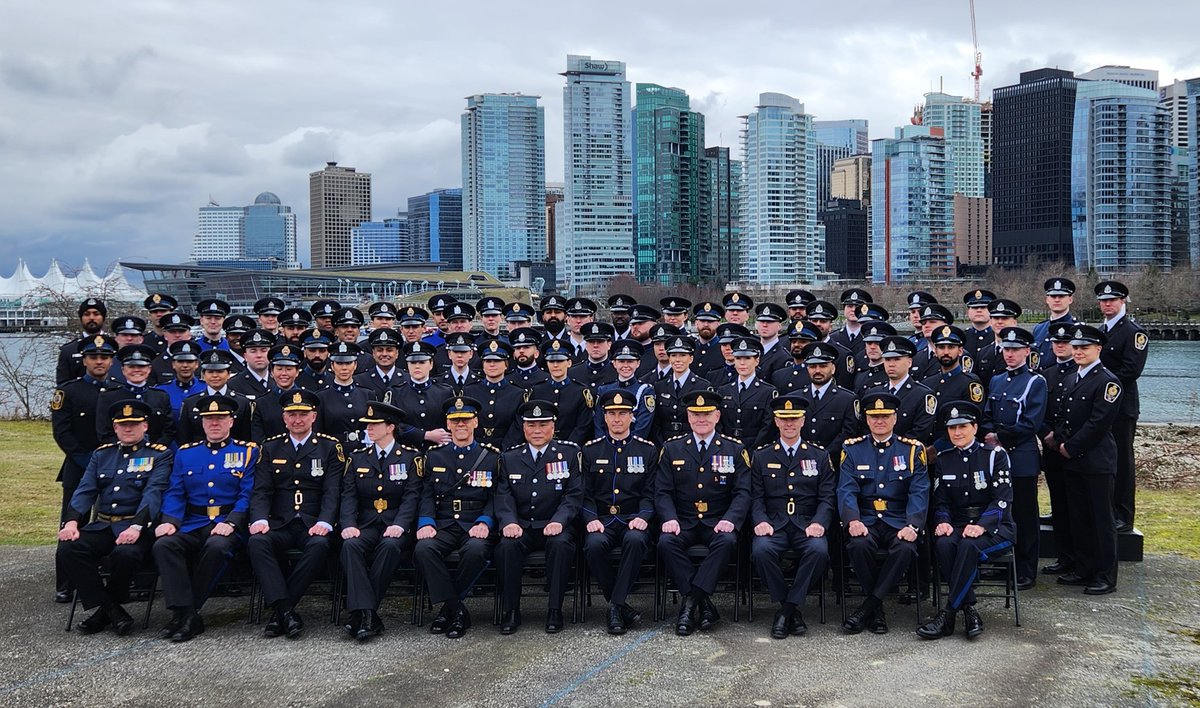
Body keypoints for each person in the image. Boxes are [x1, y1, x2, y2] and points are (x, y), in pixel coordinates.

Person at [56, 400, 172, 634]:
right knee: (68, 549)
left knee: (126, 554)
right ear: (115, 428)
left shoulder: (159, 455)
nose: (128, 429)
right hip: (104, 525)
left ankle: (103, 614)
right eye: (123, 425)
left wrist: (137, 527)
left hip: (136, 526)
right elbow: (85, 490)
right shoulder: (102, 455)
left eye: (134, 424)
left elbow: (153, 493)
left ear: (145, 427)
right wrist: (71, 522)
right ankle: (111, 610)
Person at [152, 395, 258, 642]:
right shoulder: (186, 454)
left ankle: (187, 613)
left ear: (231, 421)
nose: (214, 423)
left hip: (228, 522)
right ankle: (185, 611)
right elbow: (176, 491)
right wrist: (170, 520)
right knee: (164, 545)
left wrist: (232, 522)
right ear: (201, 422)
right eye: (209, 419)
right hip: (193, 521)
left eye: (220, 418)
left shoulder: (248, 452)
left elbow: (248, 494)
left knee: (217, 548)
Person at [247, 390, 346, 639]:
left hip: (313, 523)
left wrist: (325, 521)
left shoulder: (329, 447)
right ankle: (286, 611)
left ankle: (281, 611)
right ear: (284, 417)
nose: (297, 419)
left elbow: (332, 491)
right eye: (292, 414)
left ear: (314, 416)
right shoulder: (270, 448)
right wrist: (259, 519)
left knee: (320, 545)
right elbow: (261, 491)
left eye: (303, 414)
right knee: (257, 542)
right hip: (281, 523)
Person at [656, 391, 751, 636]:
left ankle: (690, 604)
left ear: (717, 416)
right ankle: (703, 603)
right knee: (666, 542)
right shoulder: (672, 448)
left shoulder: (734, 449)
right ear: (688, 417)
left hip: (718, 522)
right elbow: (663, 492)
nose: (701, 419)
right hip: (683, 521)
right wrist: (670, 519)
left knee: (727, 541)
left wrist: (730, 520)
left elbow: (742, 493)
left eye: (706, 414)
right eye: (696, 414)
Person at [918, 402, 1015, 640]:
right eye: (952, 429)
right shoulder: (944, 459)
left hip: (995, 528)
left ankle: (949, 613)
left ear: (974, 427)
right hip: (959, 524)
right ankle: (969, 608)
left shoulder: (994, 456)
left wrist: (981, 525)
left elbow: (1002, 501)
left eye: (962, 427)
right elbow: (941, 501)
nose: (957, 433)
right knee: (943, 542)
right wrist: (942, 521)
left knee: (968, 546)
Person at [838, 392, 929, 635]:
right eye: (874, 416)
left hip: (898, 519)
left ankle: (870, 606)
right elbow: (846, 489)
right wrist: (852, 519)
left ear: (895, 418)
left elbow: (919, 491)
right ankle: (875, 609)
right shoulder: (852, 449)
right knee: (858, 545)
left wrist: (913, 525)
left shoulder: (911, 451)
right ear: (866, 419)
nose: (879, 420)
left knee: (905, 548)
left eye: (885, 416)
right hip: (865, 518)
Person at [1045, 325, 1123, 595]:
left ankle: (1105, 575)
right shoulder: (1071, 378)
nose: (1078, 352)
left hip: (1096, 461)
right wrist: (1059, 440)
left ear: (1098, 349)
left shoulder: (1108, 382)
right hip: (1072, 460)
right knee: (1078, 517)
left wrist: (1070, 446)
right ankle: (1083, 567)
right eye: (1076, 347)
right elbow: (1064, 416)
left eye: (1084, 347)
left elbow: (1098, 423)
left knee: (1101, 520)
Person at [749, 394, 836, 639]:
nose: (789, 424)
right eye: (784, 419)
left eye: (794, 419)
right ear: (776, 421)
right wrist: (760, 521)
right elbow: (755, 497)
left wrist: (819, 522)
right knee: (761, 551)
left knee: (818, 551)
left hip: (806, 523)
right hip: (773, 523)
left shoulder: (819, 456)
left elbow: (827, 497)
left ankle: (786, 610)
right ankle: (791, 609)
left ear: (803, 421)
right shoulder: (762, 456)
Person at [414, 396, 501, 639]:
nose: (460, 424)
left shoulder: (491, 457)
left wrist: (486, 521)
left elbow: (497, 496)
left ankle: (446, 610)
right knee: (423, 549)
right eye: (455, 420)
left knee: (475, 550)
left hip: (475, 522)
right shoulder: (434, 456)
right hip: (443, 523)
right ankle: (456, 609)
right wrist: (426, 522)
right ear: (448, 424)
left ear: (476, 423)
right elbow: (427, 494)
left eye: (466, 420)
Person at [494, 401, 583, 634]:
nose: (536, 430)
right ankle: (511, 610)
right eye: (531, 425)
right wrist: (509, 521)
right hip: (522, 525)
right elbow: (503, 496)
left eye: (543, 425)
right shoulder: (510, 457)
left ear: (553, 427)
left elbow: (573, 494)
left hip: (555, 524)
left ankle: (555, 609)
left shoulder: (569, 453)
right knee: (506, 547)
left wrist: (559, 520)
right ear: (523, 428)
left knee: (561, 545)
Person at [339, 401, 423, 640]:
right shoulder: (357, 458)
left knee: (389, 547)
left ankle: (362, 614)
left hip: (396, 524)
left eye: (374, 424)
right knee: (350, 546)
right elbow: (349, 496)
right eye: (367, 425)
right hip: (366, 523)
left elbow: (411, 496)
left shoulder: (410, 457)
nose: (369, 429)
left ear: (390, 427)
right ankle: (368, 615)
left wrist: (400, 524)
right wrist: (348, 525)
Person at [581, 390, 658, 634]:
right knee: (593, 545)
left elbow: (651, 491)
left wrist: (643, 516)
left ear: (632, 417)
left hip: (633, 518)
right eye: (612, 414)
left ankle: (615, 606)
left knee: (635, 540)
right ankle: (620, 604)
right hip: (602, 519)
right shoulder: (591, 450)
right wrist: (591, 518)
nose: (617, 419)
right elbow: (584, 493)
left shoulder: (647, 450)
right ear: (604, 417)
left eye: (622, 414)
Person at [50, 334, 119, 602]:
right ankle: (66, 583)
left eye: (104, 357)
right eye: (94, 357)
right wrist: (88, 461)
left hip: (115, 467)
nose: (99, 361)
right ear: (85, 360)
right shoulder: (68, 391)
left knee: (108, 521)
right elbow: (62, 432)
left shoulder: (117, 390)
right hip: (79, 466)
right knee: (72, 522)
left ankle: (102, 575)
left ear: (112, 360)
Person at [981, 327, 1047, 589]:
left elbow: (1032, 423)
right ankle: (1004, 563)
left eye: (1015, 350)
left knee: (1025, 514)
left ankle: (1027, 569)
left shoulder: (1036, 382)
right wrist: (987, 432)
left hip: (1021, 457)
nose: (1009, 354)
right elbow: (986, 413)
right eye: (1006, 350)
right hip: (996, 458)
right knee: (1001, 513)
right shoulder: (996, 380)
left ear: (1027, 352)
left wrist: (999, 436)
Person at [1094, 280, 1147, 533]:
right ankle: (1106, 510)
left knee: (1123, 462)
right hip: (1099, 409)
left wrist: (1098, 388)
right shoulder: (1100, 330)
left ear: (1123, 300)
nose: (1107, 304)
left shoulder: (1133, 332)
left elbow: (1130, 371)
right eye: (1103, 301)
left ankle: (1124, 516)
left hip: (1121, 408)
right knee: (1103, 461)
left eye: (1112, 300)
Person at [1038, 323, 1080, 577]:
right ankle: (1065, 557)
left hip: (1073, 449)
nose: (1060, 346)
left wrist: (1064, 439)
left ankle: (1081, 558)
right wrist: (1046, 435)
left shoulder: (1081, 372)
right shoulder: (1046, 374)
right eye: (1056, 343)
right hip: (1051, 447)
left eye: (1065, 343)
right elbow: (1039, 410)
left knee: (1078, 506)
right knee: (1059, 505)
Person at [95, 344, 176, 447]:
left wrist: (155, 449)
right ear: (123, 370)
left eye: (141, 366)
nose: (136, 370)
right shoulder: (109, 397)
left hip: (155, 455)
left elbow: (168, 430)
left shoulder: (161, 396)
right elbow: (104, 433)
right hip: (120, 455)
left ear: (149, 369)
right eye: (131, 366)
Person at [796, 341, 861, 463]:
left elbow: (848, 433)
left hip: (833, 463)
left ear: (833, 368)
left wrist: (822, 457)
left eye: (823, 366)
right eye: (813, 366)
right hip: (801, 461)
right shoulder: (796, 398)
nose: (818, 371)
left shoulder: (847, 399)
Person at [177, 350, 255, 444]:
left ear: (229, 374)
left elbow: (246, 437)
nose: (215, 375)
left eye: (220, 371)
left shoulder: (242, 402)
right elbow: (183, 437)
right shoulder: (190, 403)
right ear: (203, 375)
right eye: (210, 372)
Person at [871, 336, 937, 445]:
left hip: (907, 454)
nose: (891, 364)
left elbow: (920, 432)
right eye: (887, 359)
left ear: (909, 362)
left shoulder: (923, 395)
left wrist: (891, 447)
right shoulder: (874, 393)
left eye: (897, 359)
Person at [462, 340, 527, 450]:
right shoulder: (469, 391)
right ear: (483, 365)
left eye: (497, 361)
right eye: (488, 361)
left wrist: (505, 450)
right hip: (474, 449)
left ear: (506, 365)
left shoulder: (517, 393)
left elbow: (518, 426)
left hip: (507, 450)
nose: (492, 365)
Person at [529, 339, 595, 446]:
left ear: (569, 363)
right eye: (551, 361)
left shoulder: (580, 391)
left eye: (560, 361)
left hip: (572, 447)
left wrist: (568, 447)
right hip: (542, 445)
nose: (555, 365)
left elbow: (583, 426)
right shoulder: (537, 390)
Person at [717, 337, 778, 449]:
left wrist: (753, 451)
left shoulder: (768, 392)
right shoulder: (723, 390)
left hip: (755, 451)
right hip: (727, 449)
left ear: (757, 361)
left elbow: (768, 427)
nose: (742, 363)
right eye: (738, 358)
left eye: (747, 358)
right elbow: (719, 424)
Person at [650, 336, 712, 443]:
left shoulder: (703, 386)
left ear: (691, 359)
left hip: (691, 444)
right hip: (664, 443)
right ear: (669, 358)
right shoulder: (659, 386)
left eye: (683, 355)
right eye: (673, 355)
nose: (678, 360)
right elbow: (656, 422)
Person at [56, 298, 108, 384]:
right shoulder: (68, 351)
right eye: (86, 314)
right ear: (81, 318)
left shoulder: (114, 347)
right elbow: (63, 386)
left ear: (103, 317)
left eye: (96, 314)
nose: (91, 318)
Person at [1032, 278, 1078, 361]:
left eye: (1061, 296)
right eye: (1053, 296)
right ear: (1047, 299)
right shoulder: (1039, 328)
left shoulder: (1077, 328)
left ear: (1070, 299)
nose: (1057, 300)